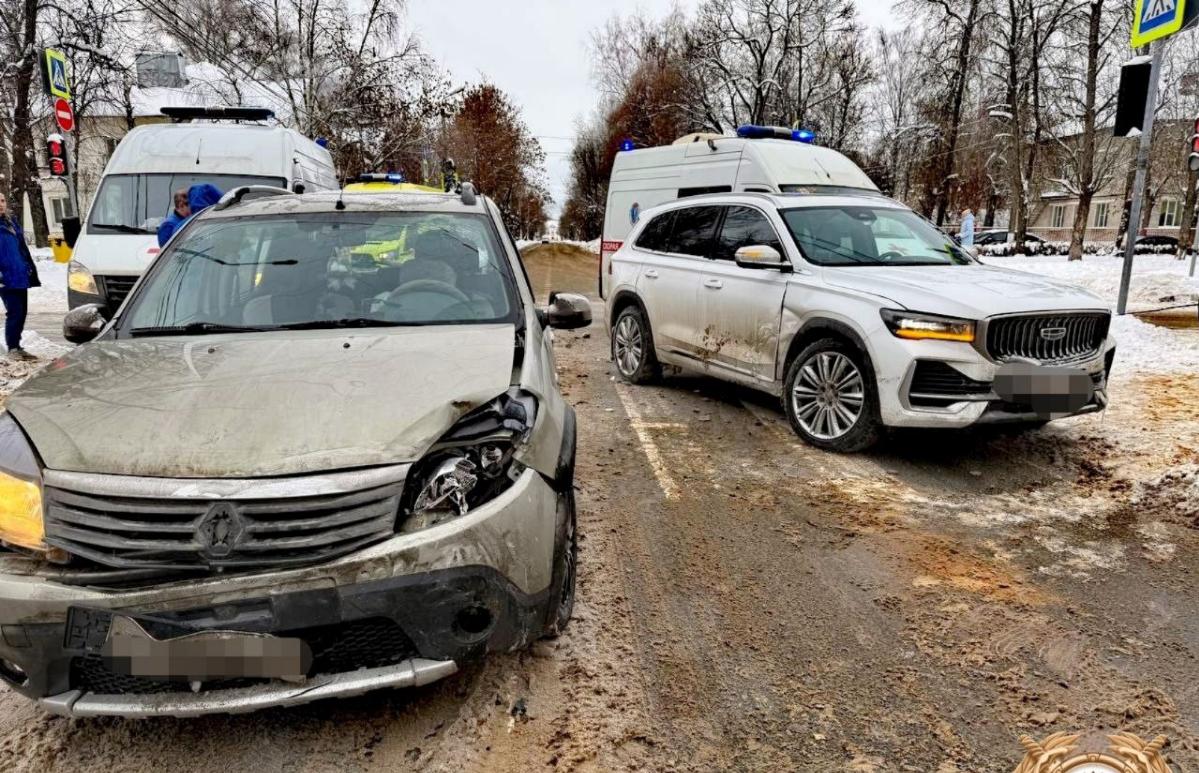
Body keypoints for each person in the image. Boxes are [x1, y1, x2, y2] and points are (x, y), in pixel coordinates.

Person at [0, 192, 41, 361]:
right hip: (4, 278)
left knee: (22, 312)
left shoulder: (11, 222)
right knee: (15, 312)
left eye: (2, 200)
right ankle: (12, 348)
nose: (1, 204)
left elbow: (22, 248)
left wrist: (28, 267)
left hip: (19, 275)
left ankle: (17, 346)